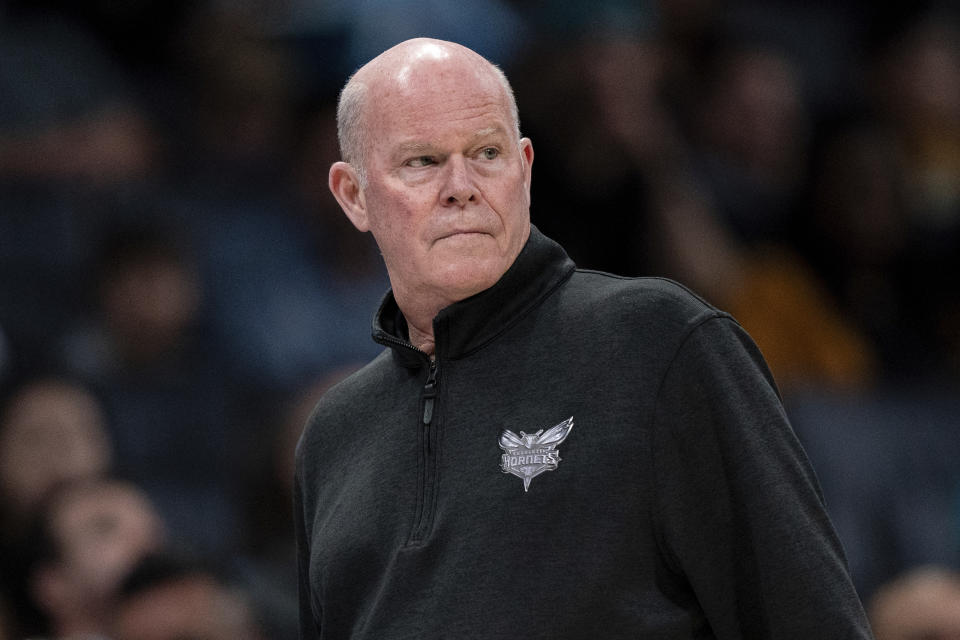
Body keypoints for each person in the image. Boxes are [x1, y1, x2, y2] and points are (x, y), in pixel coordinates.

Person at [295, 37, 875, 638]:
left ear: (524, 168)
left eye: (486, 152)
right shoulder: (334, 435)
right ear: (353, 195)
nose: (461, 185)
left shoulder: (660, 343)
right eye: (421, 162)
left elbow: (809, 620)